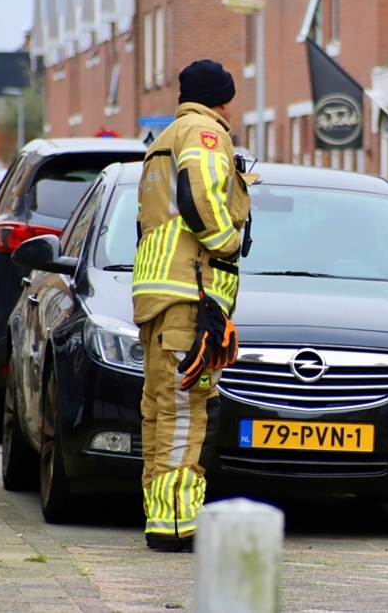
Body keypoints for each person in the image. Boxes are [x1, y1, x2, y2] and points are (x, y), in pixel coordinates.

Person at [131, 59, 257, 553]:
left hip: (160, 295)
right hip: (192, 292)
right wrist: (225, 242)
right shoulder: (206, 132)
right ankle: (182, 524)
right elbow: (199, 195)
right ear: (221, 98)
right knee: (186, 409)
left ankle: (163, 517)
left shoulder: (163, 139)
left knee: (159, 410)